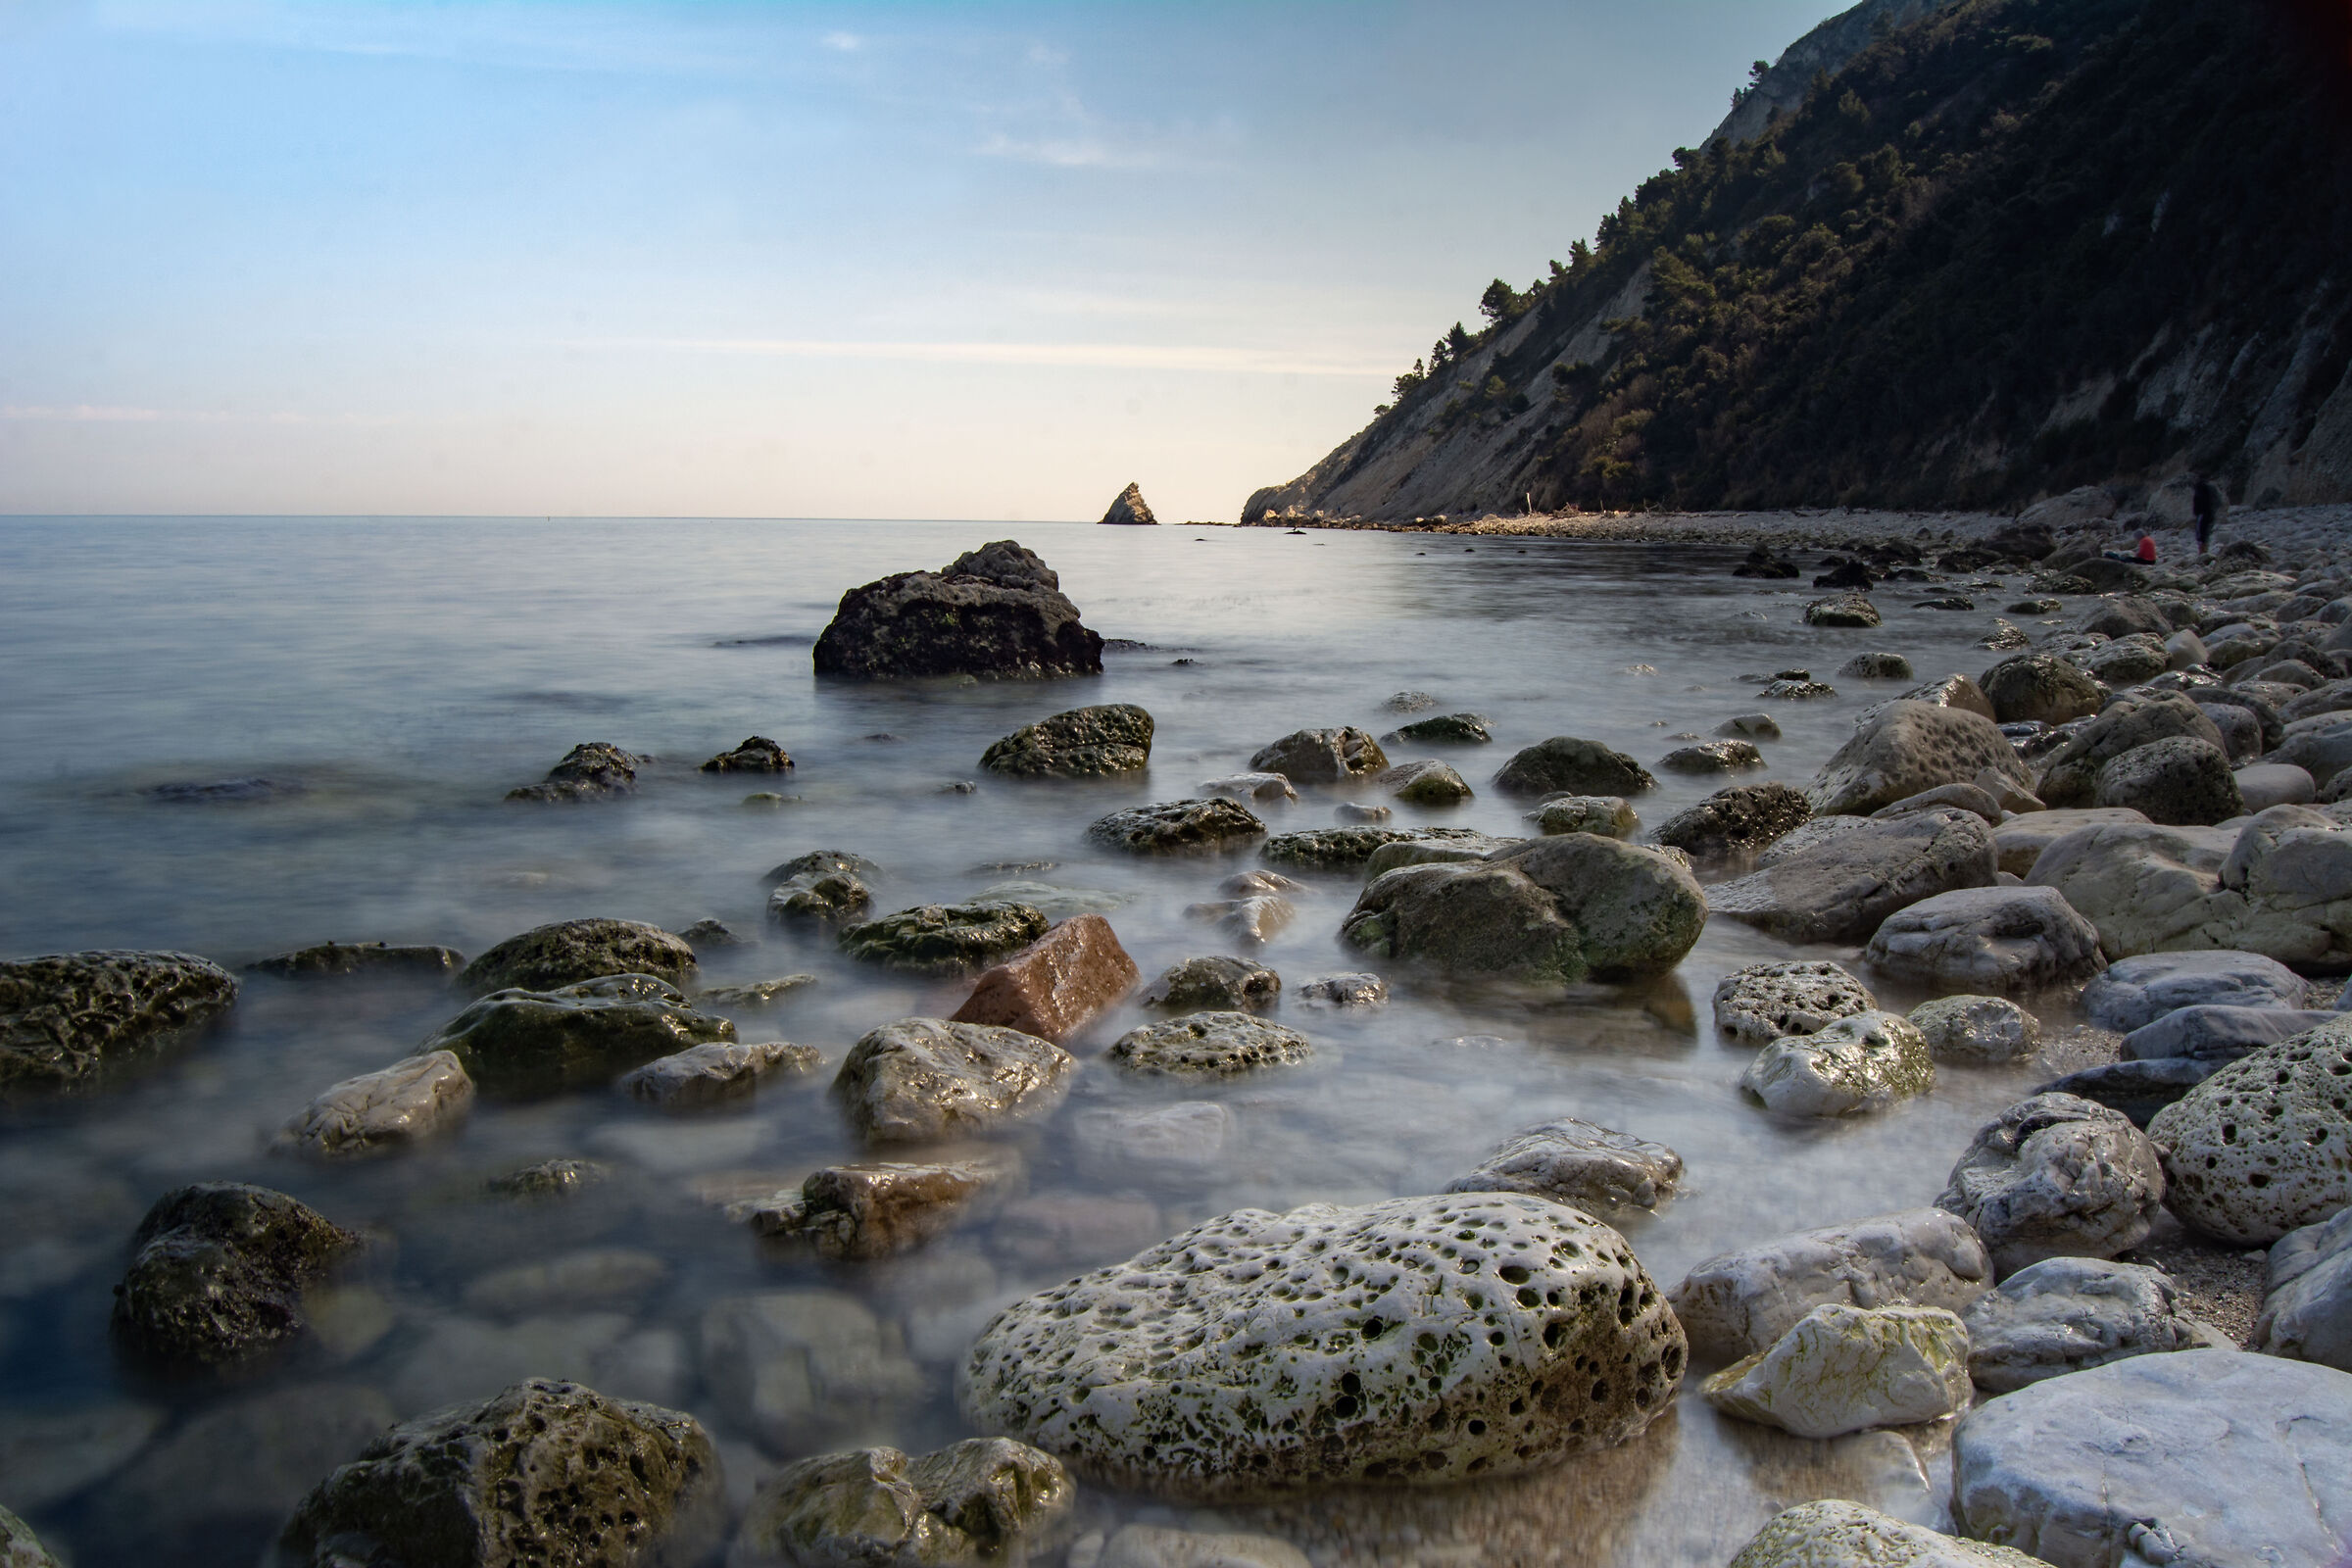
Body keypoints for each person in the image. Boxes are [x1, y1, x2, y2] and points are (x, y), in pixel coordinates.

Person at [2193, 475, 2227, 557]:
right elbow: (2218, 502)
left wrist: (2197, 512)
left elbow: (2197, 502)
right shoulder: (2212, 488)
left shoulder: (2200, 488)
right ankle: (2205, 551)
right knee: (2206, 533)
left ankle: (2202, 552)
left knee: (2200, 533)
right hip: (2211, 513)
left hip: (2202, 513)